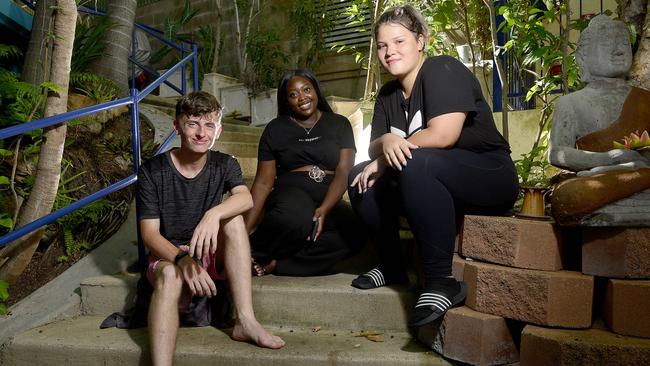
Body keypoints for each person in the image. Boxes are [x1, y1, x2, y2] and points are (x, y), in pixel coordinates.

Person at [348, 5, 519, 327]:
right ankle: (391, 265)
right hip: (430, 180)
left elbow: (443, 135)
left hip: (488, 174)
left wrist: (385, 159)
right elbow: (374, 143)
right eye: (382, 46)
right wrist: (384, 144)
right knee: (358, 175)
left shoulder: (442, 69)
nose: (389, 52)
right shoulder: (388, 94)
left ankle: (441, 281)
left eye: (399, 42)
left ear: (421, 41)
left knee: (418, 162)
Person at [137, 91, 284, 366]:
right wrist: (183, 260)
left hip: (208, 248)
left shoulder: (224, 163)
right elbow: (149, 235)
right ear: (177, 126)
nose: (201, 133)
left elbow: (246, 198)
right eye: (193, 124)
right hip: (169, 255)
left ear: (219, 129)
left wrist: (213, 214)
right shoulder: (153, 171)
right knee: (169, 275)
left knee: (234, 219)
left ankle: (246, 321)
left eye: (209, 124)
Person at [244, 69, 359, 276]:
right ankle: (247, 252)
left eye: (306, 89)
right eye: (293, 94)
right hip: (290, 192)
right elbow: (263, 183)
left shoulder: (339, 124)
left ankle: (278, 264)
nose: (302, 97)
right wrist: (243, 231)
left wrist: (324, 208)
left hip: (328, 194)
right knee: (297, 215)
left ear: (316, 90)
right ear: (286, 100)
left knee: (354, 230)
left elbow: (344, 170)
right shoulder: (275, 129)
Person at [548, 15, 650, 225]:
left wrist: (639, 159)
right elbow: (557, 153)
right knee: (568, 195)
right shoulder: (571, 103)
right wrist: (608, 159)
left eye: (623, 43)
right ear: (583, 58)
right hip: (598, 179)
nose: (619, 50)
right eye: (607, 44)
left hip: (640, 175)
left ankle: (617, 209)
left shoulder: (644, 100)